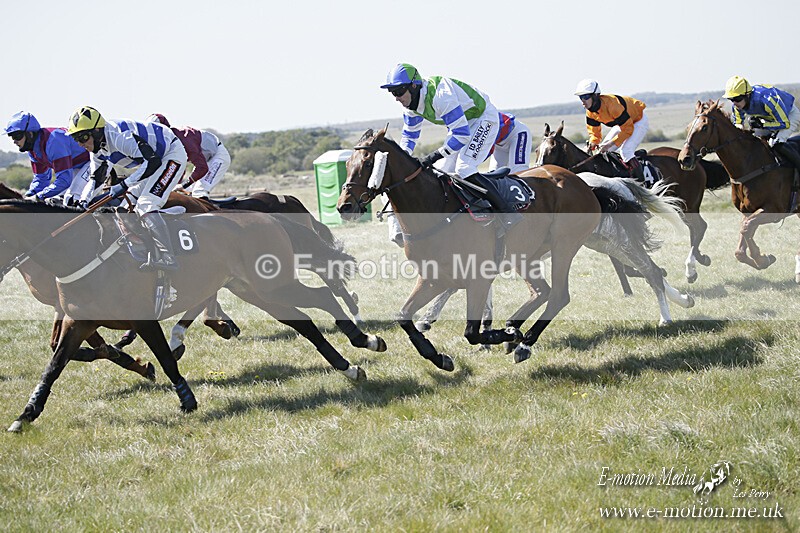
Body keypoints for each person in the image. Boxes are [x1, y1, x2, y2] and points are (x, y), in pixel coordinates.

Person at [381, 63, 525, 233]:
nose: (396, 98)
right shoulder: (411, 105)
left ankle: (507, 213)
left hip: (483, 119)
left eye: (398, 92)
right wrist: (403, 162)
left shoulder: (440, 95)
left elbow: (461, 134)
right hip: (463, 126)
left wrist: (432, 156)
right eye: (392, 93)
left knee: (464, 168)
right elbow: (410, 137)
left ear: (413, 86)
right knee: (441, 171)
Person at [66, 106, 188, 271]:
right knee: (125, 206)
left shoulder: (119, 137)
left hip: (171, 155)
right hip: (155, 161)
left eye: (83, 137)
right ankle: (147, 250)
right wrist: (83, 201)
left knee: (146, 204)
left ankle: (168, 257)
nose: (80, 144)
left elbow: (152, 163)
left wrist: (124, 184)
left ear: (96, 131)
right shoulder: (97, 149)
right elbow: (96, 179)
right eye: (76, 139)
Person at [3, 111, 92, 205]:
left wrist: (38, 197)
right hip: (76, 168)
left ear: (30, 134)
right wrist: (29, 196)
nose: (14, 141)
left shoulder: (54, 141)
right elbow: (42, 179)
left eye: (17, 136)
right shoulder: (33, 150)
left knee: (71, 197)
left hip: (93, 162)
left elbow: (64, 180)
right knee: (55, 200)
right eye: (12, 137)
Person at [573, 79, 649, 182]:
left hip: (638, 121)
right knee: (601, 152)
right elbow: (595, 134)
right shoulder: (590, 112)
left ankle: (642, 185)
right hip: (622, 124)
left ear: (595, 96)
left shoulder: (613, 106)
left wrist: (609, 144)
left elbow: (628, 129)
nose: (583, 101)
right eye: (581, 97)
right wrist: (592, 144)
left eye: (585, 97)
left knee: (626, 151)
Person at [723, 75, 800, 171]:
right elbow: (738, 125)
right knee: (755, 141)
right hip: (769, 118)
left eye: (737, 99)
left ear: (747, 95)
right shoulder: (737, 106)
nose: (735, 103)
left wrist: (763, 125)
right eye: (731, 99)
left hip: (789, 115)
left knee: (775, 143)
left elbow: (784, 123)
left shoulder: (766, 100)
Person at [145, 114, 231, 198]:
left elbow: (202, 168)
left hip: (218, 156)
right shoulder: (169, 143)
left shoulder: (185, 141)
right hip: (205, 159)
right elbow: (179, 167)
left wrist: (183, 185)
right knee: (189, 190)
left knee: (199, 191)